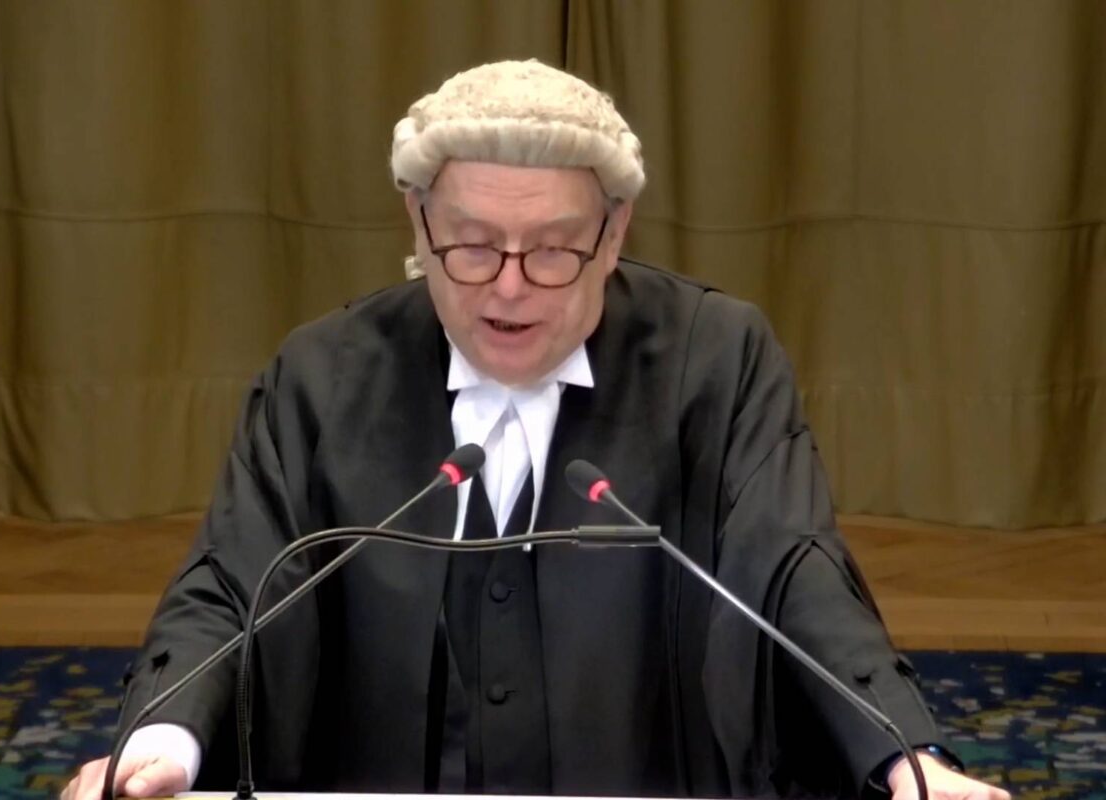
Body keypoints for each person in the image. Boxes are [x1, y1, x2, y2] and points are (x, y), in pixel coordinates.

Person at [64, 60, 1009, 800]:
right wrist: (164, 739)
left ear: (614, 232)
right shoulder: (323, 373)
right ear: (418, 221)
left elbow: (794, 570)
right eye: (472, 246)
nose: (510, 287)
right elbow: (234, 583)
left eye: (554, 249)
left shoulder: (716, 361)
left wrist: (905, 759)